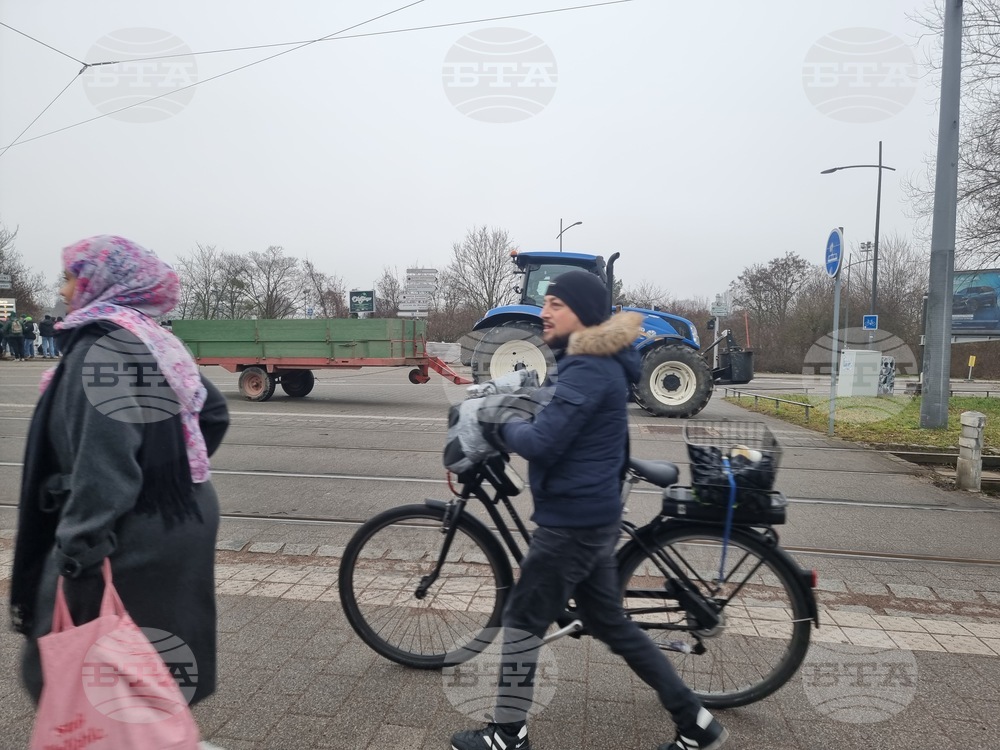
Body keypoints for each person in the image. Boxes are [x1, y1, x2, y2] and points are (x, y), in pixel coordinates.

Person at [449, 270, 728, 750]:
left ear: (582, 312)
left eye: (555, 303)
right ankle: (696, 724)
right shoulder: (590, 361)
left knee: (522, 619)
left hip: (572, 523)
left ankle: (507, 734)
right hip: (588, 516)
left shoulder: (588, 367)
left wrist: (500, 426)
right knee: (610, 624)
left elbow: (544, 441)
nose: (544, 312)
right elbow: (560, 422)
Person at [9, 236, 230, 742]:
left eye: (70, 276)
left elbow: (102, 466)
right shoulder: (150, 336)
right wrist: (172, 473)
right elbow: (212, 414)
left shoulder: (99, 347)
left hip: (130, 533)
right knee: (150, 659)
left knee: (72, 655)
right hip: (178, 518)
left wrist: (78, 554)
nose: (63, 289)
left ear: (98, 281)